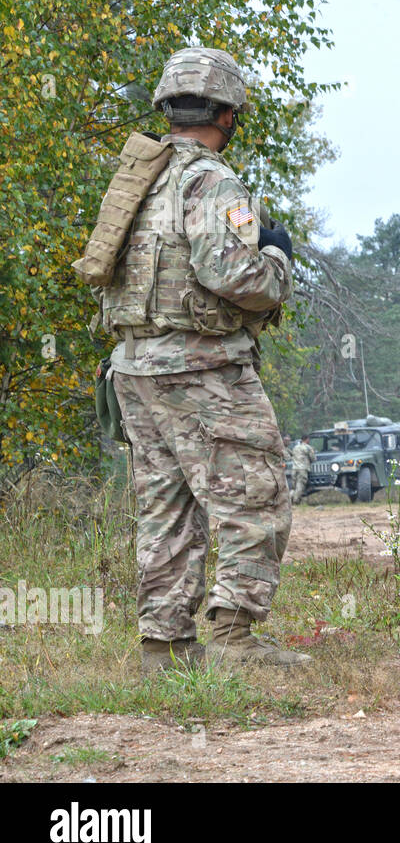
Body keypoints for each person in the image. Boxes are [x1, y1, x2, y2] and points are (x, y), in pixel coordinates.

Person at [94, 46, 309, 672]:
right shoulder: (211, 179)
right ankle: (235, 641)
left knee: (166, 507)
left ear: (168, 106)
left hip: (133, 368)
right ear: (229, 113)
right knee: (255, 495)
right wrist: (278, 261)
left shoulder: (139, 179)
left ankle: (163, 649)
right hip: (201, 369)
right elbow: (232, 274)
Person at [291, 436, 316, 504]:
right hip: (303, 469)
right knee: (300, 485)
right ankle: (296, 501)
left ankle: (289, 500)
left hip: (294, 468)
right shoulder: (308, 447)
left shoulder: (295, 447)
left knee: (293, 487)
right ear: (307, 439)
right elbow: (313, 458)